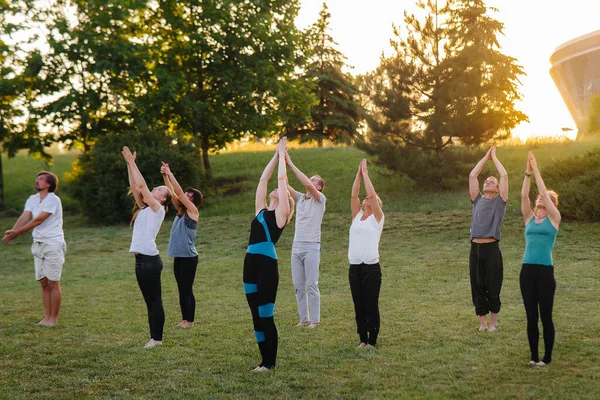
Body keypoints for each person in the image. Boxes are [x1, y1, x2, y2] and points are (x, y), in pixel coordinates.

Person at [243, 137, 294, 372]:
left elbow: (281, 180)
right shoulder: (260, 211)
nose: (276, 190)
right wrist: (275, 156)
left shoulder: (282, 214)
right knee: (255, 315)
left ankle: (269, 363)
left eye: (282, 193)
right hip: (250, 263)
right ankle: (263, 361)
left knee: (265, 314)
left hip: (266, 265)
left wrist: (283, 156)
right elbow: (264, 179)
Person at [122, 146, 172, 348]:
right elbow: (136, 186)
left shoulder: (157, 209)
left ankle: (157, 339)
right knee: (149, 301)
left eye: (158, 188)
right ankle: (154, 338)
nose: (154, 188)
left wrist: (133, 163)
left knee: (155, 300)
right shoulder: (145, 209)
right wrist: (128, 164)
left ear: (162, 199)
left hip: (151, 261)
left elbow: (142, 186)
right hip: (140, 260)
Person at [2, 171, 66, 327]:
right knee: (44, 283)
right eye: (37, 179)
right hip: (38, 244)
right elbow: (26, 216)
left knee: (53, 283)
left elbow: (38, 220)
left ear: (49, 184)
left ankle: (53, 319)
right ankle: (46, 318)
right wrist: (13, 232)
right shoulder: (32, 199)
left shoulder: (53, 199)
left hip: (53, 244)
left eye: (41, 179)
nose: (37, 181)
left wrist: (18, 233)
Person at [520, 151, 560, 366]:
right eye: (542, 198)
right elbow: (524, 197)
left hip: (545, 271)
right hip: (527, 271)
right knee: (530, 315)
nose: (542, 198)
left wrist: (536, 169)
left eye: (548, 199)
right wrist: (527, 173)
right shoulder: (529, 218)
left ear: (553, 204)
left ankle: (547, 358)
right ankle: (534, 357)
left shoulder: (554, 219)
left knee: (545, 315)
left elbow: (543, 192)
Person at [468, 146, 508, 332]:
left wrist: (495, 158)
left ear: (498, 188)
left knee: (493, 285)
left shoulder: (499, 202)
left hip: (491, 249)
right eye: (487, 180)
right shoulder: (476, 199)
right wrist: (485, 157)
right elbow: (473, 176)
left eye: (493, 181)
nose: (489, 181)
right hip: (475, 249)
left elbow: (504, 176)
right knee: (477, 285)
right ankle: (483, 323)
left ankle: (494, 323)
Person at [285, 150, 326, 328]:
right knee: (298, 285)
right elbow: (285, 184)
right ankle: (304, 319)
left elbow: (306, 184)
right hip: (296, 247)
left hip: (311, 247)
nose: (309, 182)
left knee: (311, 285)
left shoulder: (320, 199)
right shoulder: (301, 199)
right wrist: (282, 160)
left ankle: (315, 321)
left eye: (313, 181)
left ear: (318, 187)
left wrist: (291, 163)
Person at [161, 162, 203, 329]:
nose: (186, 195)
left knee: (186, 288)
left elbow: (178, 192)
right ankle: (185, 319)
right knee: (181, 288)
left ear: (194, 200)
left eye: (189, 194)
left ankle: (190, 321)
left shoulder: (193, 211)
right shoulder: (181, 211)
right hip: (179, 256)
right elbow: (173, 195)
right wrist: (165, 176)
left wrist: (170, 173)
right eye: (187, 193)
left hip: (189, 257)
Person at [349, 159, 384, 349]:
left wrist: (366, 174)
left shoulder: (377, 219)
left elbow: (371, 193)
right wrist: (358, 174)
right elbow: (354, 195)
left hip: (371, 268)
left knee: (371, 304)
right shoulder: (357, 217)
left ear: (376, 203)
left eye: (371, 198)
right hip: (354, 267)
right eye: (366, 198)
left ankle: (372, 340)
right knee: (359, 305)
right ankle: (362, 339)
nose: (366, 198)